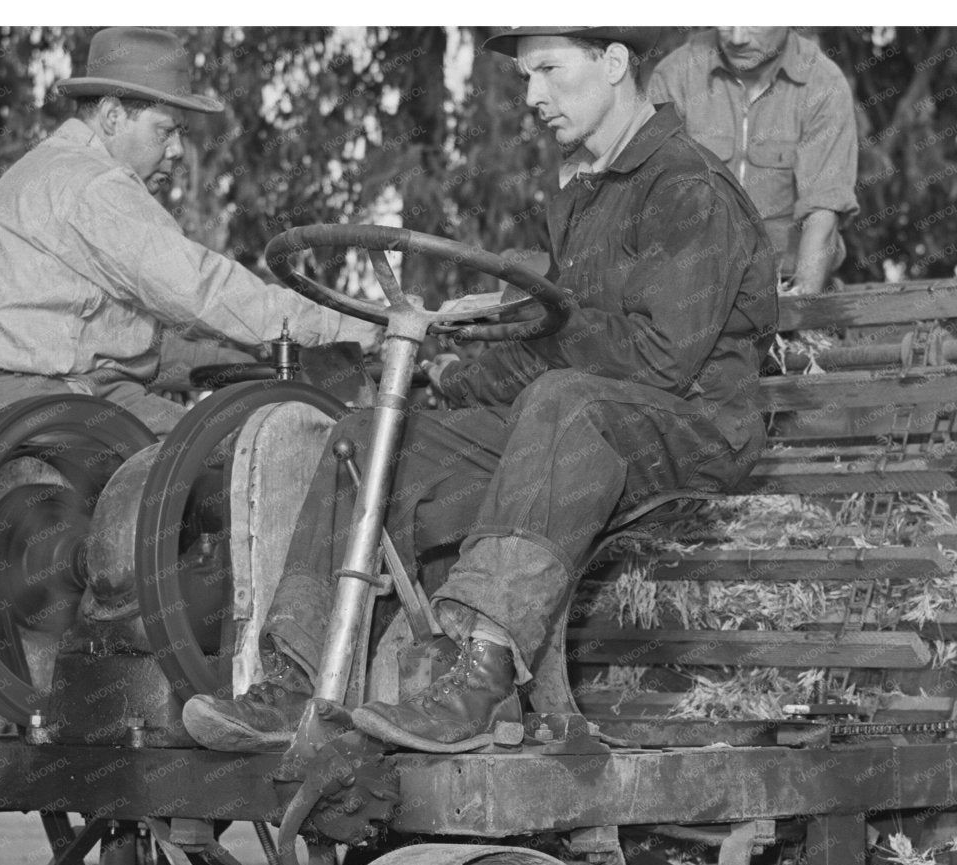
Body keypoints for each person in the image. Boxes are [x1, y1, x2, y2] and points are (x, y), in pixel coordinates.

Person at [183, 26, 778, 754]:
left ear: (616, 64)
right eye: (528, 78)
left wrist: (509, 356)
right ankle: (296, 682)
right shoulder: (586, 194)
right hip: (578, 423)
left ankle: (480, 678)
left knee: (563, 402)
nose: (533, 97)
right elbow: (547, 337)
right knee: (367, 439)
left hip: (694, 429)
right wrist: (452, 360)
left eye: (550, 71)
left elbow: (657, 358)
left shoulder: (687, 188)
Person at [0, 27, 378, 442]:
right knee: (246, 457)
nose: (177, 151)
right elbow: (200, 289)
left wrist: (268, 357)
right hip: (32, 397)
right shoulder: (93, 183)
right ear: (111, 116)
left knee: (223, 439)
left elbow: (130, 344)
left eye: (179, 133)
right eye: (164, 131)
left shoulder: (53, 170)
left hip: (36, 390)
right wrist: (343, 325)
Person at [648, 27, 860, 294]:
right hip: (695, 287)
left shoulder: (824, 84)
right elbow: (655, 202)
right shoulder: (675, 75)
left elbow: (824, 211)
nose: (737, 38)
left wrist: (802, 305)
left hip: (787, 279)